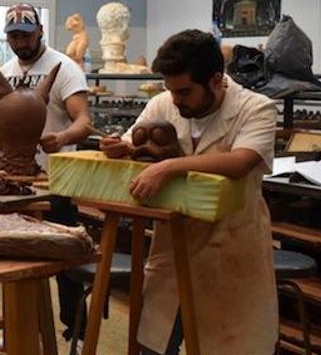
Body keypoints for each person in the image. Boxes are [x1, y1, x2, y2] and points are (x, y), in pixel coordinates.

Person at [100, 30, 278, 355]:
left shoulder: (257, 109)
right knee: (154, 345)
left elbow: (240, 162)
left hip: (231, 247)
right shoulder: (164, 103)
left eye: (184, 91)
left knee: (228, 346)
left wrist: (169, 167)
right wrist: (118, 146)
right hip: (173, 245)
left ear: (216, 80)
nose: (176, 100)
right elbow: (132, 139)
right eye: (170, 90)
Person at [0, 3, 92, 348]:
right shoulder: (7, 70)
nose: (20, 42)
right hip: (13, 182)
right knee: (16, 255)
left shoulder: (64, 68)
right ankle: (21, 326)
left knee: (65, 258)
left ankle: (76, 332)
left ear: (40, 31)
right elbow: (2, 118)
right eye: (13, 36)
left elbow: (84, 120)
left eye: (26, 35)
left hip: (53, 180)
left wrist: (63, 138)